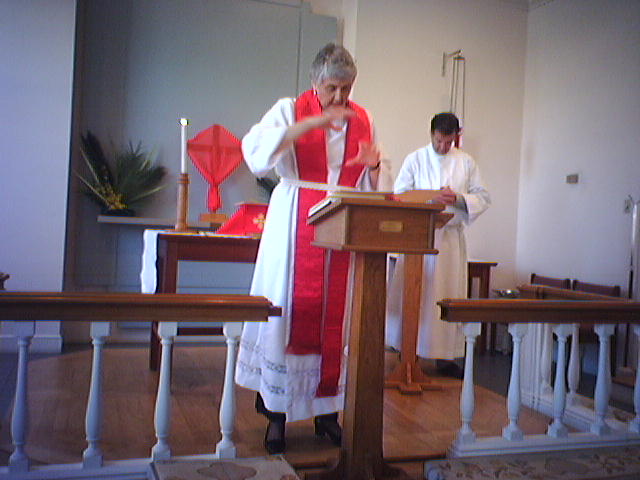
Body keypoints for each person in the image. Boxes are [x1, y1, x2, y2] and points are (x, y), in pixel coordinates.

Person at [235, 43, 388, 454]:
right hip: (293, 221)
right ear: (314, 82)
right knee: (287, 312)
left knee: (336, 319)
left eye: (347, 88)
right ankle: (276, 416)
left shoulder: (364, 117)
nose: (340, 98)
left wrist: (373, 166)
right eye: (332, 88)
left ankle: (327, 413)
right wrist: (310, 124)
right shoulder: (289, 109)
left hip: (343, 224)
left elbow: (374, 182)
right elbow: (254, 155)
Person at [385, 112, 490, 377]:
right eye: (439, 141)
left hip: (449, 243)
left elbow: (483, 197)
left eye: (449, 142)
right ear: (431, 134)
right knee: (415, 295)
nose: (443, 147)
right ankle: (408, 351)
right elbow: (398, 194)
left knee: (445, 295)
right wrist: (429, 197)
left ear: (457, 137)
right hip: (418, 238)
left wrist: (458, 198)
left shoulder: (466, 162)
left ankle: (445, 357)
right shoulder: (416, 159)